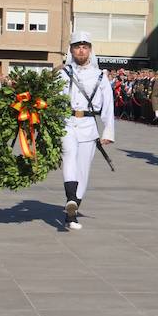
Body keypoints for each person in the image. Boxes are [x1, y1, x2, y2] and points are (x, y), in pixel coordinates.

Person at [57, 31, 114, 230]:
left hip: (89, 126)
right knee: (69, 155)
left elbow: (108, 105)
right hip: (67, 122)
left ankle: (72, 213)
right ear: (71, 50)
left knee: (83, 169)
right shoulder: (62, 73)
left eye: (85, 47)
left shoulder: (100, 75)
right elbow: (54, 101)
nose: (81, 50)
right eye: (77, 47)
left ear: (90, 50)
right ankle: (71, 198)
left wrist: (108, 131)